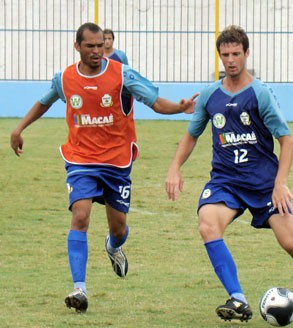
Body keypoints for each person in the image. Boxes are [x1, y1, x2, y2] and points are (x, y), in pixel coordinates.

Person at [10, 22, 198, 313]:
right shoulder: (65, 78)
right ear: (77, 47)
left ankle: (113, 246)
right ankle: (79, 289)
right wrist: (19, 128)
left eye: (101, 45)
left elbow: (154, 102)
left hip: (116, 162)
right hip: (81, 160)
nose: (98, 51)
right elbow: (44, 102)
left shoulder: (122, 75)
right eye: (91, 46)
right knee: (80, 215)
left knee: (119, 227)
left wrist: (179, 107)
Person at [165, 25, 293, 322]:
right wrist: (174, 168)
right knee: (207, 225)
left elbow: (287, 140)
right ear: (219, 56)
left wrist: (280, 183)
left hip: (263, 183)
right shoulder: (209, 96)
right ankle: (238, 299)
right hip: (226, 182)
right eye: (225, 54)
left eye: (236, 54)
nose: (231, 60)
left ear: (246, 53)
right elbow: (191, 136)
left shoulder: (260, 94)